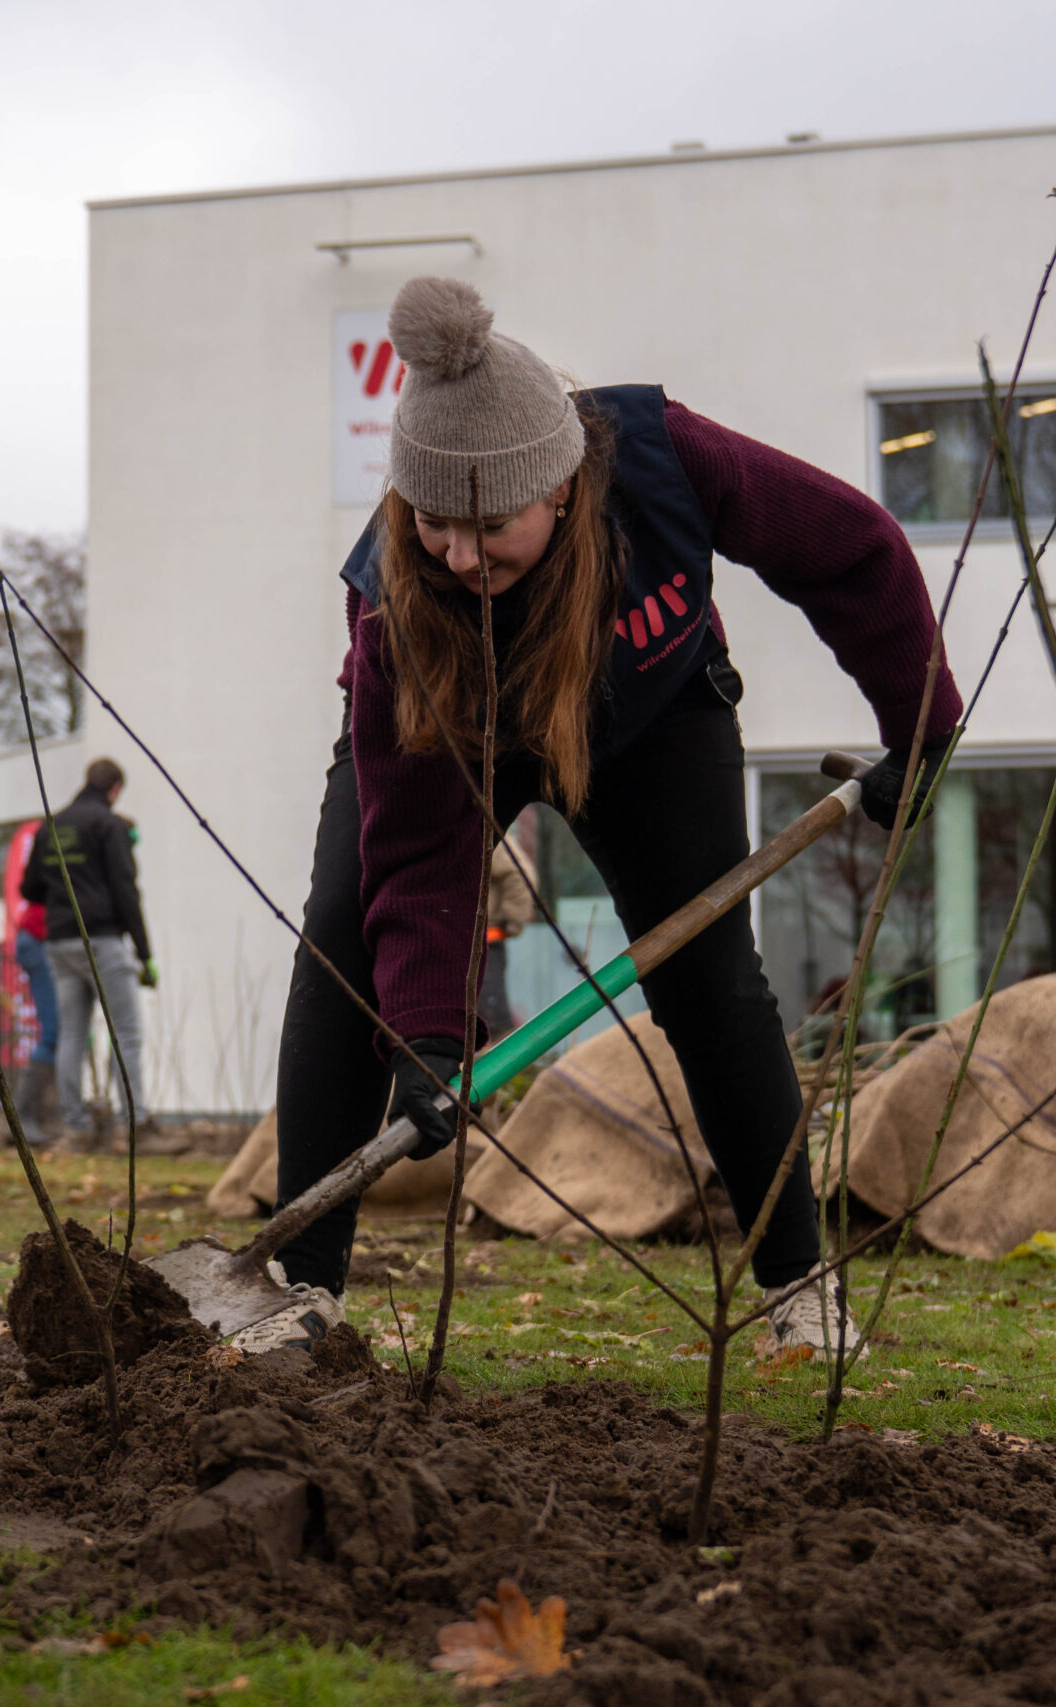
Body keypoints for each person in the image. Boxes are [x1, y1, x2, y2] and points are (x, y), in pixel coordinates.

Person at [264, 277, 959, 1357]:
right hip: (452, 740)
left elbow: (849, 548)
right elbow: (417, 843)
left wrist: (918, 726)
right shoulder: (399, 607)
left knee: (711, 978)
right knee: (344, 934)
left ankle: (798, 1292)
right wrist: (426, 1036)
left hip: (650, 714)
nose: (458, 556)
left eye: (490, 527)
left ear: (560, 487)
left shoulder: (661, 459)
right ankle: (300, 1293)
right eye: (434, 524)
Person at [19, 758, 155, 1146]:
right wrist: (144, 953)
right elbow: (126, 890)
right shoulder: (109, 825)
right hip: (102, 939)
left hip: (59, 942)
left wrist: (63, 893)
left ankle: (76, 1129)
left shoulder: (51, 826)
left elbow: (30, 889)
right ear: (115, 789)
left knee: (71, 1036)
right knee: (125, 1032)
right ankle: (134, 1126)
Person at [9, 822, 61, 1141]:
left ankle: (40, 1118)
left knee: (64, 1031)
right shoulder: (62, 855)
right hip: (38, 940)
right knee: (54, 1030)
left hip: (41, 941)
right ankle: (22, 1118)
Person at [479, 837, 540, 1037]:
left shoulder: (481, 830)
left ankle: (506, 1064)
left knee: (491, 1021)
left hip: (485, 941)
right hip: (461, 944)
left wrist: (510, 919)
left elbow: (521, 874)